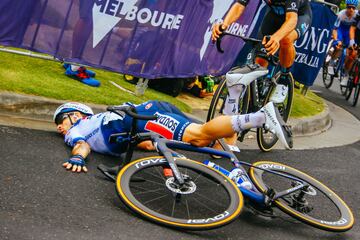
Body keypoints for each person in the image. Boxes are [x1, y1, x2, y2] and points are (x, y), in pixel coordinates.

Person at [54, 101, 293, 173]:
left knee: (199, 135)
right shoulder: (96, 122)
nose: (60, 129)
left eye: (60, 122)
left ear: (73, 115)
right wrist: (171, 166)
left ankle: (261, 117)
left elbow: (81, 145)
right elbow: (150, 143)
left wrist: (78, 159)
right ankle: (239, 173)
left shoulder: (78, 129)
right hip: (144, 117)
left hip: (142, 116)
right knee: (205, 141)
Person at [212, 0, 312, 115]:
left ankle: (284, 80)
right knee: (260, 60)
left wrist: (276, 37)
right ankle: (254, 99)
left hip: (299, 16)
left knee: (286, 40)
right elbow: (240, 5)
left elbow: (292, 20)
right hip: (274, 17)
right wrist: (224, 25)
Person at [328, 0, 358, 87]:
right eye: (349, 7)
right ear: (346, 7)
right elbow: (335, 29)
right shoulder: (341, 14)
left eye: (353, 8)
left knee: (350, 52)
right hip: (340, 30)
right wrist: (336, 39)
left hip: (349, 32)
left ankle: (346, 73)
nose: (351, 9)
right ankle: (331, 63)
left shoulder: (356, 15)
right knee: (339, 46)